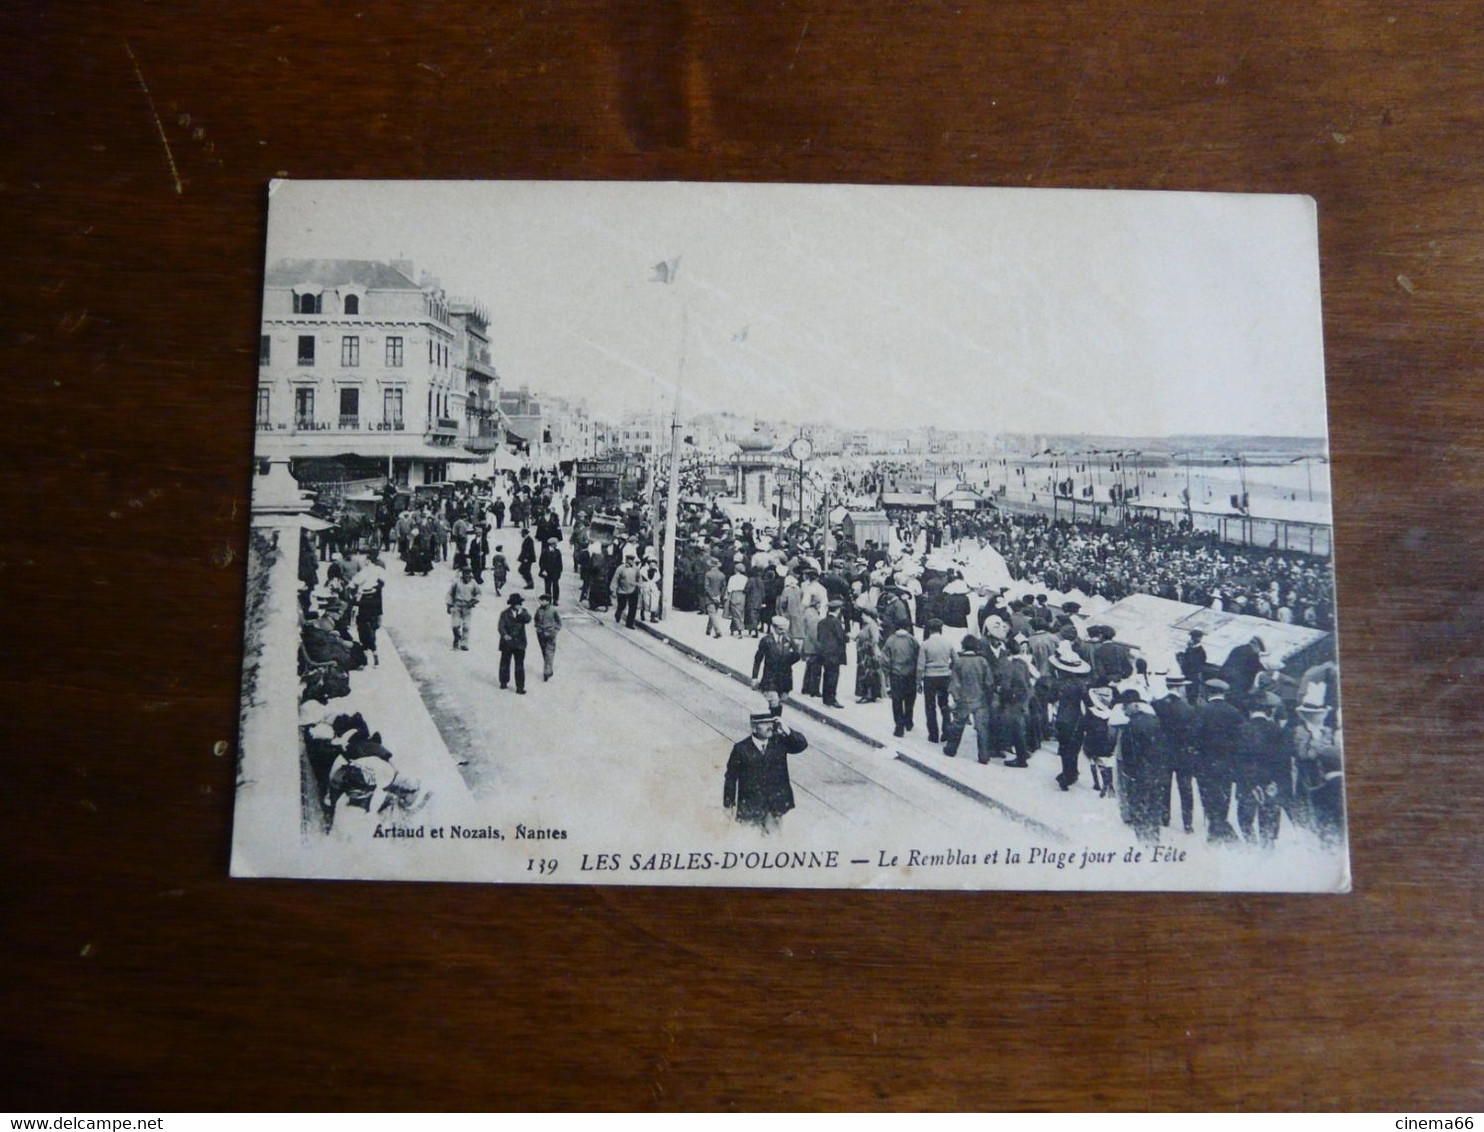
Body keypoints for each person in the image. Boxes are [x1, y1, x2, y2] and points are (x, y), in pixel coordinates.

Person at [723, 713, 810, 832]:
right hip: (751, 806)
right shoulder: (741, 748)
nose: (770, 726)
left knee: (775, 843)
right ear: (754, 727)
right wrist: (728, 804)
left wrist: (787, 730)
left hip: (774, 806)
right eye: (764, 723)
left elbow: (801, 745)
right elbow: (731, 777)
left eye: (771, 722)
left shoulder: (779, 742)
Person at [944, 633, 996, 763]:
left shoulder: (959, 661)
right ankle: (983, 756)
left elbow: (954, 683)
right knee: (982, 728)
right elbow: (989, 682)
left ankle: (951, 749)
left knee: (958, 724)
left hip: (964, 698)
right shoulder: (982, 661)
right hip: (980, 699)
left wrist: (956, 698)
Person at [751, 616, 800, 717]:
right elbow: (758, 660)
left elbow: (797, 655)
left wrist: (790, 659)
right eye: (780, 629)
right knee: (774, 701)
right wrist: (754, 677)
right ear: (774, 627)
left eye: (784, 629)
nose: (782, 632)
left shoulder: (788, 639)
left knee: (780, 702)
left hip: (785, 677)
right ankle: (775, 722)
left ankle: (775, 721)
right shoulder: (766, 640)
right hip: (770, 677)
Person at [916, 618, 954, 744]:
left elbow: (920, 666)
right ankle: (947, 732)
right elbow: (956, 660)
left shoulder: (925, 645)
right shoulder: (948, 643)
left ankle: (933, 735)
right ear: (940, 629)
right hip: (945, 677)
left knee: (930, 706)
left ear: (930, 630)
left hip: (930, 678)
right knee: (944, 704)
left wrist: (918, 682)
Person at [882, 622, 921, 738]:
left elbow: (885, 659)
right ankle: (909, 721)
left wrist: (886, 673)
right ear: (908, 627)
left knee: (897, 700)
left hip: (896, 674)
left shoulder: (890, 640)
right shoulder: (912, 640)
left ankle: (899, 726)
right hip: (910, 675)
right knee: (910, 699)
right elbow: (918, 656)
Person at [352, 550, 386, 666]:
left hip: (365, 600)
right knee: (372, 626)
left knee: (362, 625)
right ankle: (374, 649)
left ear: (369, 560)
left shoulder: (365, 571)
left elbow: (355, 581)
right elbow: (382, 582)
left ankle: (366, 651)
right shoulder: (380, 570)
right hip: (376, 601)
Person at [815, 599, 850, 709]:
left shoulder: (822, 622)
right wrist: (848, 637)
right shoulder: (836, 622)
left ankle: (825, 698)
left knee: (826, 674)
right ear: (838, 610)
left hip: (824, 653)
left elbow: (819, 637)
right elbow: (841, 637)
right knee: (833, 676)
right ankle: (831, 698)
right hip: (834, 654)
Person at [498, 593, 532, 693]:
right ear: (512, 604)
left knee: (519, 665)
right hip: (507, 643)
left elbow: (528, 619)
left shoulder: (523, 612)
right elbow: (501, 626)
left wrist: (521, 613)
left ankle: (520, 687)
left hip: (520, 643)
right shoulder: (505, 613)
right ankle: (503, 682)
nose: (519, 605)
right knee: (505, 663)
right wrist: (505, 635)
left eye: (520, 603)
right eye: (517, 603)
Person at [446, 565, 481, 651]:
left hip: (467, 606)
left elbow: (478, 594)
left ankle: (464, 643)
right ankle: (456, 639)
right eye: (465, 573)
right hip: (457, 605)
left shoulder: (473, 583)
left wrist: (474, 601)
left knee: (466, 626)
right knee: (455, 625)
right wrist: (449, 605)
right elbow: (450, 594)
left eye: (468, 573)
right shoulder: (457, 582)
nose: (467, 575)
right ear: (462, 574)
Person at [854, 609, 884, 704]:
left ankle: (868, 694)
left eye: (864, 615)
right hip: (864, 653)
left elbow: (875, 640)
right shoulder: (866, 625)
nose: (862, 617)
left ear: (869, 616)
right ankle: (868, 694)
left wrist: (866, 646)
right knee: (866, 673)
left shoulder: (872, 626)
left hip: (869, 654)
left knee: (868, 674)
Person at [534, 593, 562, 681]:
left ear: (548, 601)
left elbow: (559, 622)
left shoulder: (553, 610)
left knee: (549, 652)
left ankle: (546, 671)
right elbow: (536, 619)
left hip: (550, 633)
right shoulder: (539, 610)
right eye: (540, 601)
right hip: (541, 634)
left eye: (543, 601)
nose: (541, 602)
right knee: (544, 652)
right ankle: (549, 668)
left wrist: (555, 631)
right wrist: (537, 627)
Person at [613, 554, 641, 629]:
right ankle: (618, 613)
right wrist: (613, 590)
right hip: (622, 590)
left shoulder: (636, 568)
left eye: (632, 560)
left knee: (633, 607)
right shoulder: (621, 568)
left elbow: (639, 578)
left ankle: (629, 623)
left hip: (633, 589)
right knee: (622, 605)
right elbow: (615, 579)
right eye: (630, 560)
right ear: (626, 560)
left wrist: (639, 585)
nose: (631, 561)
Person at [538, 537, 564, 603]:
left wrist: (559, 571)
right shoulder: (544, 551)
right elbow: (541, 562)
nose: (556, 545)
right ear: (552, 544)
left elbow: (560, 563)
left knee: (556, 587)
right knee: (548, 587)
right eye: (555, 543)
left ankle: (555, 600)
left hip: (555, 572)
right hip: (547, 572)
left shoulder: (558, 552)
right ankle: (548, 600)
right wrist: (543, 570)